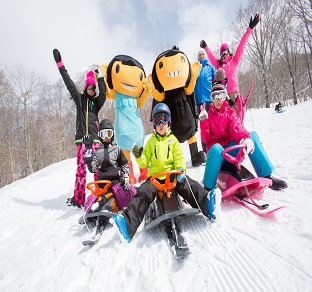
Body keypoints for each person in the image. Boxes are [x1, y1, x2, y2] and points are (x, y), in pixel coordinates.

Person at [111, 103, 219, 242]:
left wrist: (180, 170)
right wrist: (139, 156)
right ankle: (127, 224)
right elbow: (144, 162)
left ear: (169, 122)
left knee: (188, 184)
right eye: (157, 120)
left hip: (173, 175)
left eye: (164, 119)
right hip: (155, 179)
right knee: (143, 193)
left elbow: (179, 157)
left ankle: (207, 204)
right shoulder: (151, 142)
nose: (161, 123)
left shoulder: (173, 141)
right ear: (154, 125)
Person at [200, 80, 288, 195]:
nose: (218, 99)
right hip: (218, 154)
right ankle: (207, 189)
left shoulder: (230, 112)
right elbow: (206, 139)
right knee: (216, 148)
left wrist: (245, 138)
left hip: (231, 150)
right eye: (214, 96)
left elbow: (236, 127)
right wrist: (204, 123)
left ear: (225, 96)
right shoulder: (208, 115)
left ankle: (267, 175)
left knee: (252, 136)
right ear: (211, 99)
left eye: (221, 95)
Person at [53, 49, 106, 208]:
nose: (92, 89)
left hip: (95, 141)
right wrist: (60, 64)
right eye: (89, 87)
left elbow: (103, 93)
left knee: (98, 169)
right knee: (81, 171)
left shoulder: (97, 103)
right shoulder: (80, 99)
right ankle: (79, 199)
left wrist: (101, 78)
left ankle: (101, 195)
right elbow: (68, 82)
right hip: (82, 141)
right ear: (85, 87)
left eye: (93, 87)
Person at [200, 13, 260, 123]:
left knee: (238, 119)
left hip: (235, 95)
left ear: (229, 52)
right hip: (224, 96)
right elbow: (212, 57)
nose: (224, 56)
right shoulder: (218, 65)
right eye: (222, 54)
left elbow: (242, 44)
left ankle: (240, 134)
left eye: (225, 53)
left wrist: (250, 28)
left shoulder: (234, 61)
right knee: (227, 121)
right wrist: (206, 47)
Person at [194, 49, 216, 123]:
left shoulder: (211, 68)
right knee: (203, 122)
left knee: (213, 121)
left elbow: (216, 81)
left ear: (205, 56)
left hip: (209, 99)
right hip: (199, 100)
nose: (201, 56)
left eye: (203, 54)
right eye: (199, 55)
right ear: (198, 58)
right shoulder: (195, 69)